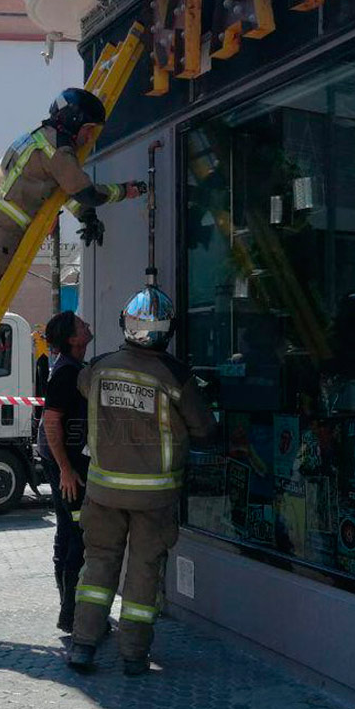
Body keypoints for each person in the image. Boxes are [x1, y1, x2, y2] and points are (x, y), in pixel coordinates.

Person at [0, 88, 144, 386]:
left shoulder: (36, 138)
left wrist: (85, 216)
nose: (89, 139)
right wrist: (125, 190)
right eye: (88, 130)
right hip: (2, 230)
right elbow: (84, 190)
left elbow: (54, 192)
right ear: (74, 122)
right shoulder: (59, 150)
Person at [68, 285, 219, 677]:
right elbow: (204, 428)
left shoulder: (99, 367)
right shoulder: (174, 376)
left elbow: (84, 387)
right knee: (143, 571)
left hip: (103, 491)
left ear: (126, 324)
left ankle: (83, 644)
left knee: (98, 566)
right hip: (155, 497)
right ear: (167, 331)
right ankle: (133, 655)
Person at [37, 311, 93, 632]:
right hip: (67, 466)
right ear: (73, 339)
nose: (87, 325)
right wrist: (66, 470)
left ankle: (69, 610)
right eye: (81, 325)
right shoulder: (65, 374)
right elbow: (51, 420)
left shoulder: (72, 369)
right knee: (76, 535)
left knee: (67, 531)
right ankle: (72, 615)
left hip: (66, 463)